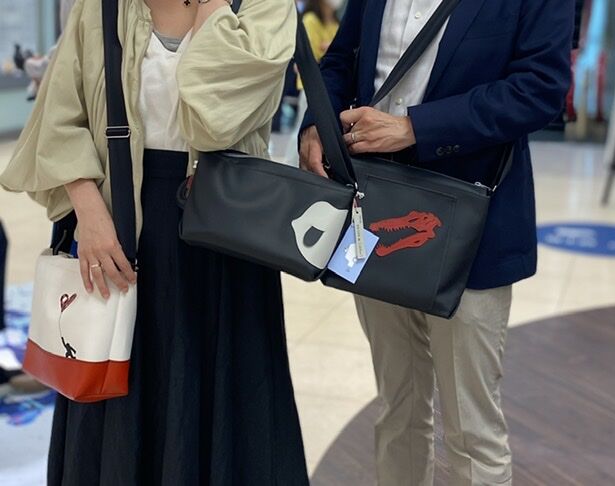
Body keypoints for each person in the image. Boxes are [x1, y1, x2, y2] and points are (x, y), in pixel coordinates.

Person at [0, 0, 308, 484]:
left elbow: (213, 121)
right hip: (117, 226)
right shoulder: (100, 6)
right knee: (117, 402)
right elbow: (57, 118)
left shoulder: (261, 7)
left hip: (226, 239)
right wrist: (89, 212)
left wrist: (212, 12)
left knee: (222, 402)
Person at [299, 0, 574, 485]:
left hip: (471, 221)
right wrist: (316, 123)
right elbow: (341, 59)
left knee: (471, 426)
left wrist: (414, 128)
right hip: (374, 212)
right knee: (397, 406)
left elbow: (539, 88)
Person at [283, 0, 341, 166]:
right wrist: (329, 51)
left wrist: (328, 49)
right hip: (311, 87)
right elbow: (308, 58)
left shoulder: (336, 23)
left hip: (329, 90)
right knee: (303, 131)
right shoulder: (311, 20)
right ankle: (291, 167)